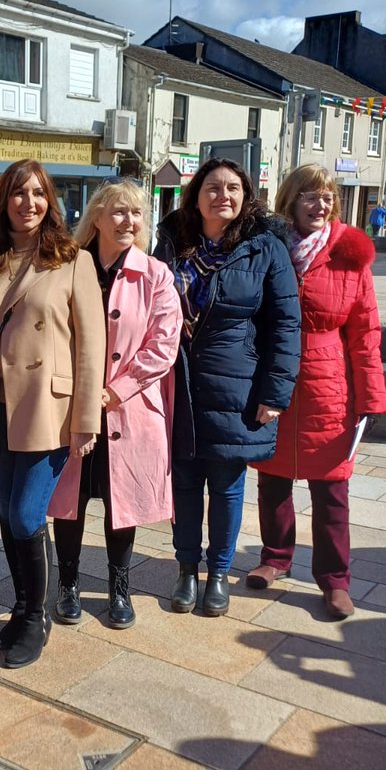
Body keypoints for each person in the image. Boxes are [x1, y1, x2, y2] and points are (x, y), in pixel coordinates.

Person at [0, 159, 105, 669]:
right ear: (3, 201)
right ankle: (22, 605)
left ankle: (37, 617)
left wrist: (86, 420)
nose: (29, 202)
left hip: (49, 407)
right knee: (8, 514)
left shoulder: (73, 260)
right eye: (18, 193)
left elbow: (93, 345)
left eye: (39, 193)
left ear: (51, 202)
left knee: (28, 514)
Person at [154, 158, 300, 617]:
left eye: (234, 188)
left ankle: (218, 573)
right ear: (195, 195)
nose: (224, 196)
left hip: (237, 387)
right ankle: (185, 569)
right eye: (213, 187)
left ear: (245, 196)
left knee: (227, 485)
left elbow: (286, 324)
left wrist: (275, 395)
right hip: (177, 383)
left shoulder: (264, 248)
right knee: (184, 484)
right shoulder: (171, 243)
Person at [249, 165, 386, 617]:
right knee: (272, 482)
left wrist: (370, 398)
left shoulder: (349, 255)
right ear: (290, 200)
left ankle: (334, 580)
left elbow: (366, 332)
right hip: (273, 378)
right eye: (310, 195)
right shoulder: (269, 248)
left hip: (329, 386)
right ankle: (275, 558)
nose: (320, 204)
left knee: (331, 490)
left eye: (327, 196)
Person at [48, 181, 181, 629]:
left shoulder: (156, 274)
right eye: (119, 212)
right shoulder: (69, 265)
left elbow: (163, 346)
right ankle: (66, 583)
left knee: (122, 502)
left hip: (129, 408)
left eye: (137, 214)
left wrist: (112, 392)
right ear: (98, 218)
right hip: (71, 405)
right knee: (69, 497)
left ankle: (118, 587)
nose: (129, 222)